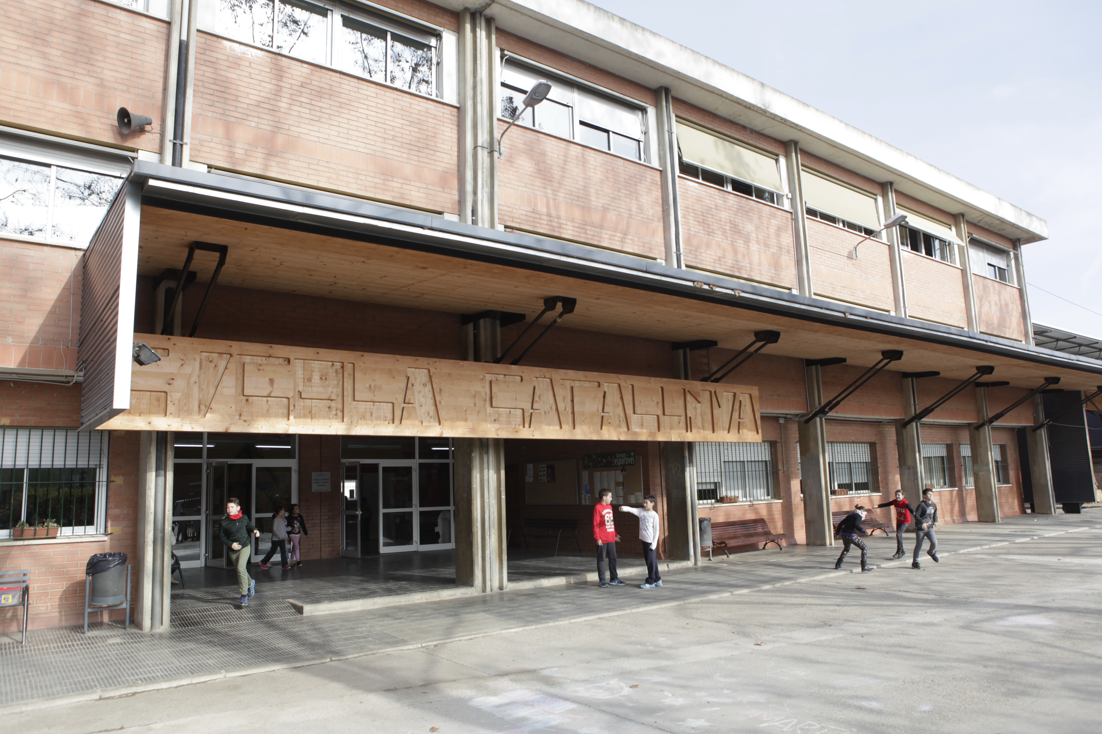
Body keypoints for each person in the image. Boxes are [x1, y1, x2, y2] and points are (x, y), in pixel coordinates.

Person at [219, 498, 260, 606]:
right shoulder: (224, 522)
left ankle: (243, 595)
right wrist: (230, 544)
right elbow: (221, 537)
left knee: (241, 568)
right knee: (240, 570)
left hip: (245, 547)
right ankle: (251, 583)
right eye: (228, 507)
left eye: (231, 507)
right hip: (233, 550)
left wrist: (255, 530)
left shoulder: (244, 518)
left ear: (238, 508)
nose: (229, 509)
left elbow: (249, 526)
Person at [620, 494, 662, 588]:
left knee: (650, 562)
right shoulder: (641, 511)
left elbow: (656, 530)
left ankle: (650, 581)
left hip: (651, 542)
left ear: (652, 503)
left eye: (646, 503)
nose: (644, 504)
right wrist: (623, 508)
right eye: (644, 502)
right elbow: (631, 509)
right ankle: (657, 579)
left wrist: (654, 543)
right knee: (651, 561)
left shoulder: (654, 515)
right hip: (644, 541)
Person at [593, 489, 625, 587]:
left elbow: (611, 522)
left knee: (613, 558)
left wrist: (614, 534)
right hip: (602, 539)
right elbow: (596, 524)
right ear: (604, 497)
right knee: (601, 559)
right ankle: (602, 579)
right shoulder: (597, 507)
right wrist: (597, 537)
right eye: (610, 497)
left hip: (610, 538)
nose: (611, 499)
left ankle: (614, 578)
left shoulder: (610, 507)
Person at [834, 505, 874, 572]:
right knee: (864, 548)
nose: (865, 516)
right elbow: (856, 524)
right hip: (851, 535)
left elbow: (841, 523)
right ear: (862, 511)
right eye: (865, 514)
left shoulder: (850, 515)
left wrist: (837, 533)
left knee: (846, 549)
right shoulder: (858, 516)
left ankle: (838, 564)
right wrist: (863, 531)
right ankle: (864, 566)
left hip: (844, 535)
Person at [877, 489, 913, 559]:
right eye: (896, 495)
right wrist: (878, 506)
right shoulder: (895, 502)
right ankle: (902, 551)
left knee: (898, 534)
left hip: (905, 521)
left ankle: (899, 551)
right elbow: (887, 504)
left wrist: (914, 514)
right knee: (898, 536)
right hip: (899, 521)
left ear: (903, 496)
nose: (897, 496)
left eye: (899, 495)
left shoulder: (905, 503)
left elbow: (910, 508)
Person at [912, 487, 940, 570]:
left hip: (930, 528)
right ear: (924, 495)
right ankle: (915, 562)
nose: (931, 495)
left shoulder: (934, 505)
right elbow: (916, 515)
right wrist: (922, 522)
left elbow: (935, 515)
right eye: (929, 494)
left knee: (934, 542)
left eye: (932, 494)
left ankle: (931, 552)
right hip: (920, 529)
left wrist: (935, 521)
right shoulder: (921, 505)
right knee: (919, 545)